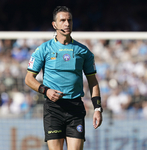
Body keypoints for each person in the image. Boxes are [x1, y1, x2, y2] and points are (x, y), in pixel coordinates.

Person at [25, 6, 103, 150]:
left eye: (69, 20)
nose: (67, 24)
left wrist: (97, 108)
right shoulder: (44, 49)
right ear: (54, 25)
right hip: (53, 109)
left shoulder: (83, 51)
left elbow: (93, 82)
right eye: (62, 20)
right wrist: (45, 90)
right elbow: (29, 78)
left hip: (75, 108)